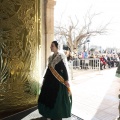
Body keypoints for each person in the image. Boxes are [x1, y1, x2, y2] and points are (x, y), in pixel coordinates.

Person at [38, 41, 72, 120]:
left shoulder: (60, 57)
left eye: (52, 46)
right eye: (50, 46)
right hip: (49, 81)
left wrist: (66, 80)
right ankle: (48, 113)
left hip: (57, 83)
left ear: (56, 47)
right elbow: (48, 70)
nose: (51, 47)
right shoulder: (50, 58)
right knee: (46, 98)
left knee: (55, 99)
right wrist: (44, 79)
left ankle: (56, 115)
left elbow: (64, 69)